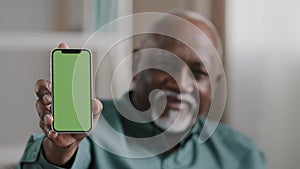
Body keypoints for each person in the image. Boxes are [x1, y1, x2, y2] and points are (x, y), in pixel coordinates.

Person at [18, 10, 266, 169]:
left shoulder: (241, 154)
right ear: (137, 64)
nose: (180, 83)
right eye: (166, 64)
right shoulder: (91, 129)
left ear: (215, 84)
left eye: (198, 73)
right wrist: (60, 149)